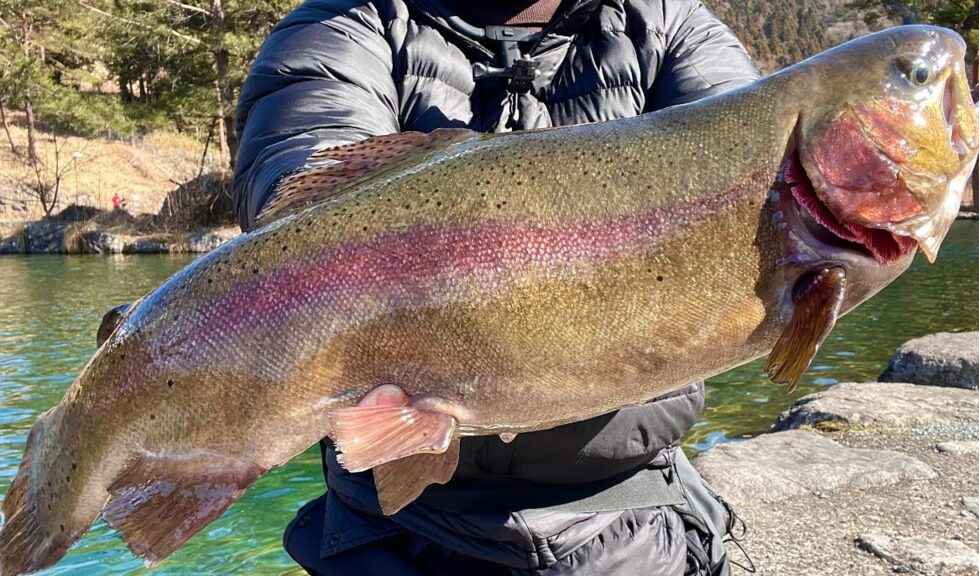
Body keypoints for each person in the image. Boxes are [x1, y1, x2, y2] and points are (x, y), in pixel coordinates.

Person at [234, 1, 761, 574]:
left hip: (629, 511)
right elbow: (298, 194)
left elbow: (749, 166)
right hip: (392, 525)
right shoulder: (349, 19)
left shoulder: (665, 23)